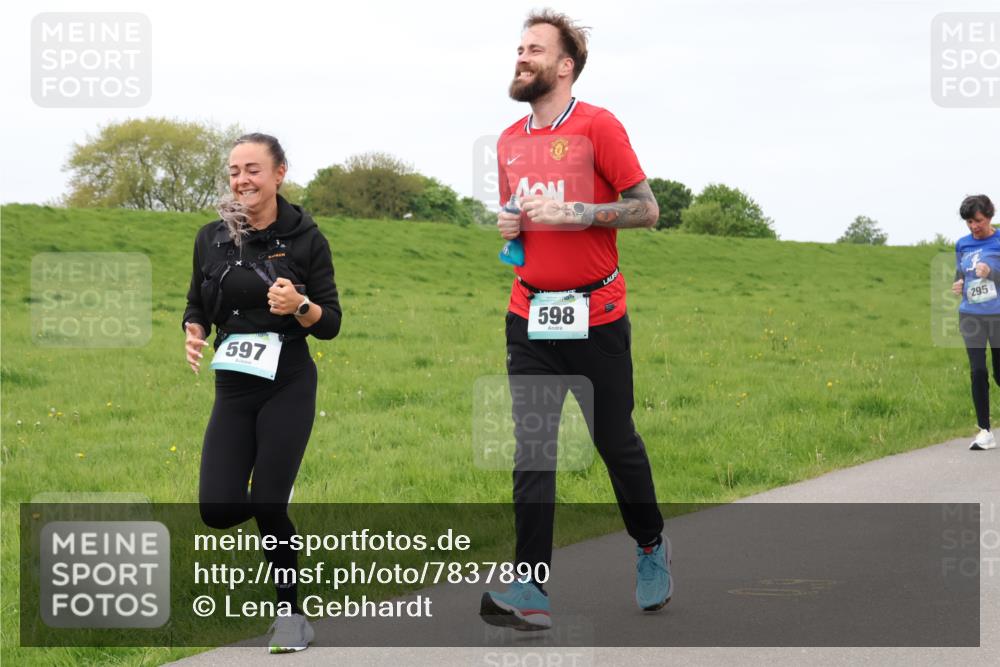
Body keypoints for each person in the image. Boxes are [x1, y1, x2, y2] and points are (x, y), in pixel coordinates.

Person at [479, 10, 671, 631]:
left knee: (615, 443)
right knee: (533, 452)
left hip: (597, 316)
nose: (521, 56)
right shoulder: (508, 140)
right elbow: (522, 222)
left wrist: (579, 212)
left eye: (534, 49)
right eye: (518, 48)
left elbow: (647, 211)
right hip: (530, 315)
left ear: (565, 65)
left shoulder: (599, 126)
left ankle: (650, 545)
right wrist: (512, 226)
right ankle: (531, 590)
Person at [182, 133, 342, 652]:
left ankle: (291, 615)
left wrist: (299, 304)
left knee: (268, 503)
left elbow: (330, 323)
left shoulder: (305, 238)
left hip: (288, 380)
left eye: (252, 169)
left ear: (279, 174)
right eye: (233, 171)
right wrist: (194, 330)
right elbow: (196, 302)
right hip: (233, 385)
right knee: (217, 510)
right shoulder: (211, 237)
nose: (242, 180)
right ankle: (273, 496)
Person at [951, 194, 999, 451]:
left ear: (989, 216)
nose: (973, 227)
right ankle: (985, 431)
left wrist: (992, 273)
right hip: (971, 315)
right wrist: (959, 283)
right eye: (969, 221)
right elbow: (962, 273)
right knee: (978, 370)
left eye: (978, 220)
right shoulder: (962, 244)